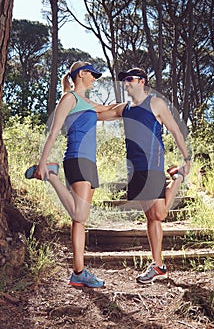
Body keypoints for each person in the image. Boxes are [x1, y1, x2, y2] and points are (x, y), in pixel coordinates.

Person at [25, 61, 116, 288]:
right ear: (82, 74)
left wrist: (137, 107)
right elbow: (54, 131)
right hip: (77, 158)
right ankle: (51, 175)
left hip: (89, 163)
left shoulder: (88, 103)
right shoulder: (69, 99)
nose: (95, 78)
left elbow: (110, 111)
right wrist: (42, 164)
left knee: (79, 220)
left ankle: (78, 272)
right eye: (92, 74)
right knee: (80, 214)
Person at [98, 67, 191, 284]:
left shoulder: (155, 103)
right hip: (135, 168)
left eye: (130, 79)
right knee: (152, 217)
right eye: (124, 80)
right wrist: (76, 103)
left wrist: (187, 157)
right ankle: (177, 177)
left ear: (142, 81)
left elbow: (175, 130)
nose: (126, 83)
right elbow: (101, 114)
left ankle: (158, 265)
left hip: (153, 164)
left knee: (158, 216)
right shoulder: (125, 108)